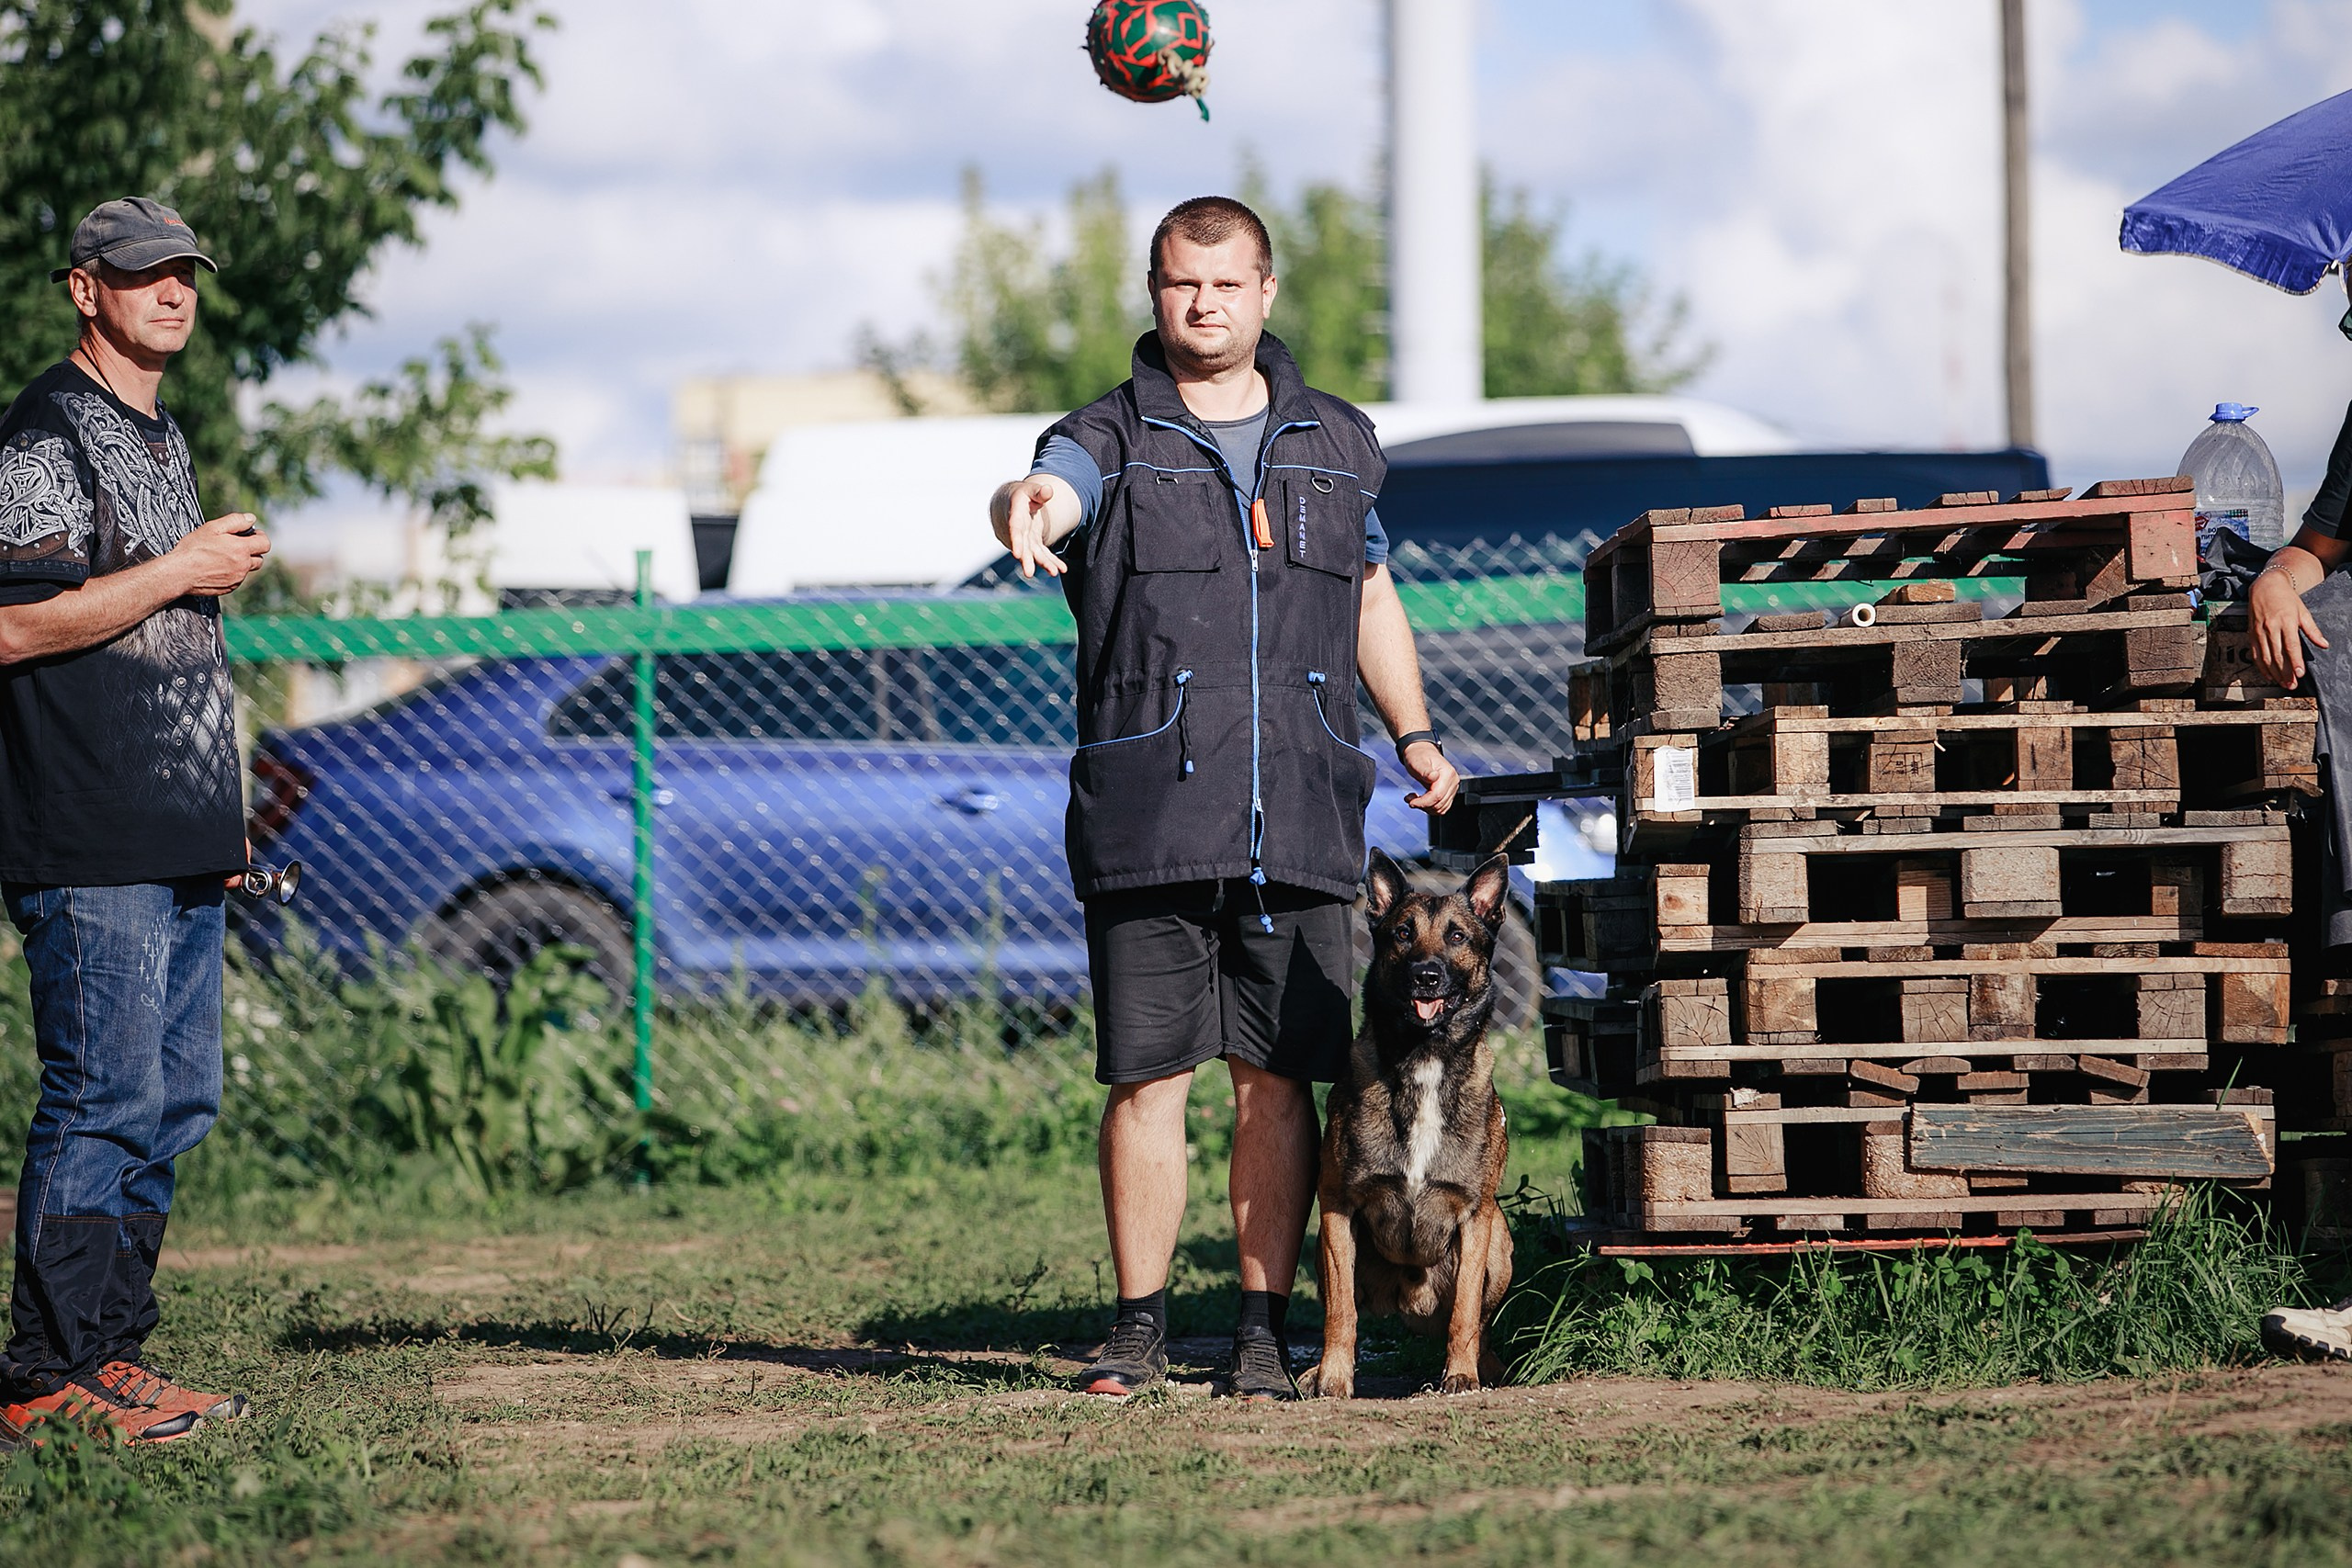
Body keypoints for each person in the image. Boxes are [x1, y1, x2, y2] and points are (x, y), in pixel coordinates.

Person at [988, 196, 1461, 1401]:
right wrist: (1027, 504)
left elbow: (1367, 599)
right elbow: (1054, 484)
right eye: (1177, 284)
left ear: (1266, 291)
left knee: (1276, 1079)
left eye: (1224, 284)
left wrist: (1413, 731)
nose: (1201, 304)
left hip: (1304, 809)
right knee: (1147, 1078)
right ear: (1155, 292)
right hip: (1151, 811)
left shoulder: (1340, 442)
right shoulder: (1105, 435)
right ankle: (1137, 1330)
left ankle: (1261, 1329)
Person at [0, 197, 272, 1442]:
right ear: (84, 289)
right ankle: (49, 1374)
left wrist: (221, 815)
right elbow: (12, 624)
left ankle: (111, 1352)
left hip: (176, 829)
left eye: (184, 274)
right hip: (88, 829)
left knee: (174, 1104)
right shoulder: (41, 436)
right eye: (142, 273)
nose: (171, 291)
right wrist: (182, 569)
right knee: (102, 1095)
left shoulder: (164, 438)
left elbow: (172, 649)